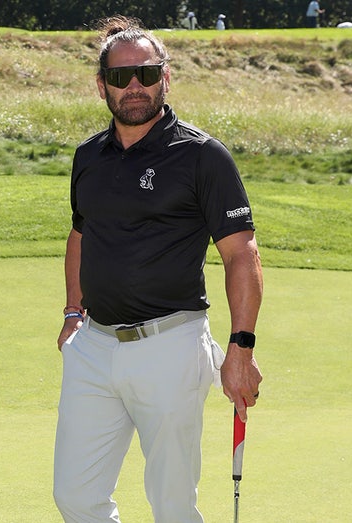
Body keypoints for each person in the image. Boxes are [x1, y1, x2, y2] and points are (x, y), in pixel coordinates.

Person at [52, 16, 263, 523]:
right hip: (95, 347)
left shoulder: (202, 156)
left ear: (165, 78)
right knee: (76, 498)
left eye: (146, 74)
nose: (135, 87)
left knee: (172, 505)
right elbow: (82, 233)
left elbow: (242, 254)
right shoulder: (88, 156)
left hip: (170, 345)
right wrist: (72, 311)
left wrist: (241, 347)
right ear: (101, 84)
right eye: (121, 77)